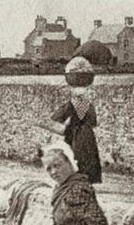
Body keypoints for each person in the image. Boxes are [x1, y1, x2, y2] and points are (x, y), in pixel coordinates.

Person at [44, 56, 103, 184]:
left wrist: (42, 123)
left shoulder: (72, 104)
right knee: (88, 157)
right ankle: (87, 180)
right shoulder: (88, 105)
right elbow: (93, 122)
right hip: (87, 135)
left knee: (78, 157)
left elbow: (56, 118)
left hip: (77, 135)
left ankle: (79, 180)